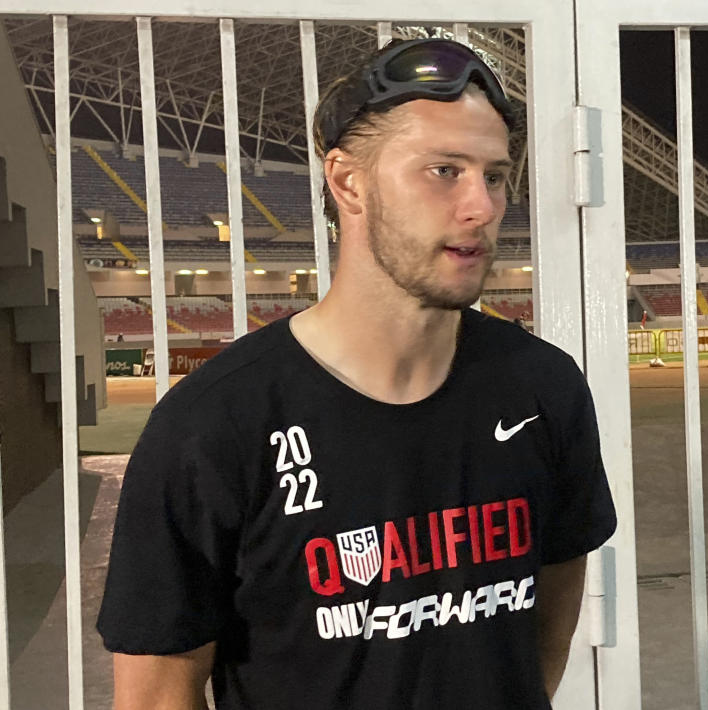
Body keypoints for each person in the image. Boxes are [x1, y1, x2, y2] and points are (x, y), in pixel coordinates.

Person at [97, 38, 616, 710]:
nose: (482, 207)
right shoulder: (212, 427)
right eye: (443, 170)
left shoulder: (544, 388)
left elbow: (551, 608)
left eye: (493, 175)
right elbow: (156, 697)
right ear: (348, 181)